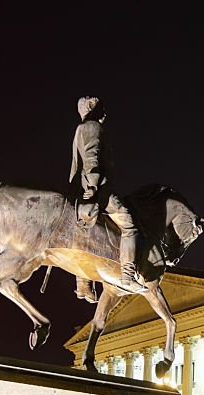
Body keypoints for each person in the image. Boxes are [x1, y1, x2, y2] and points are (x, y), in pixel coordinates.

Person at [70, 96, 145, 299]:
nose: (105, 113)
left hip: (79, 188)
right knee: (129, 225)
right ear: (93, 109)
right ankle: (128, 275)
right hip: (97, 188)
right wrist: (93, 186)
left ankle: (83, 283)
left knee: (86, 233)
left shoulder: (80, 128)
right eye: (102, 108)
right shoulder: (93, 127)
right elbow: (91, 155)